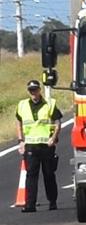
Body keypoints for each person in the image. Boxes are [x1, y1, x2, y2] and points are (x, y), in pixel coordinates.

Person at [15, 80, 62, 212]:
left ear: (39, 90)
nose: (33, 93)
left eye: (35, 90)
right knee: (31, 175)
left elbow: (57, 122)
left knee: (49, 174)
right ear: (28, 91)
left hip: (46, 145)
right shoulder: (22, 105)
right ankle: (30, 205)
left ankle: (52, 201)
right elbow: (19, 122)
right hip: (30, 145)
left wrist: (54, 138)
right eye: (31, 90)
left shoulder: (49, 104)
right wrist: (20, 141)